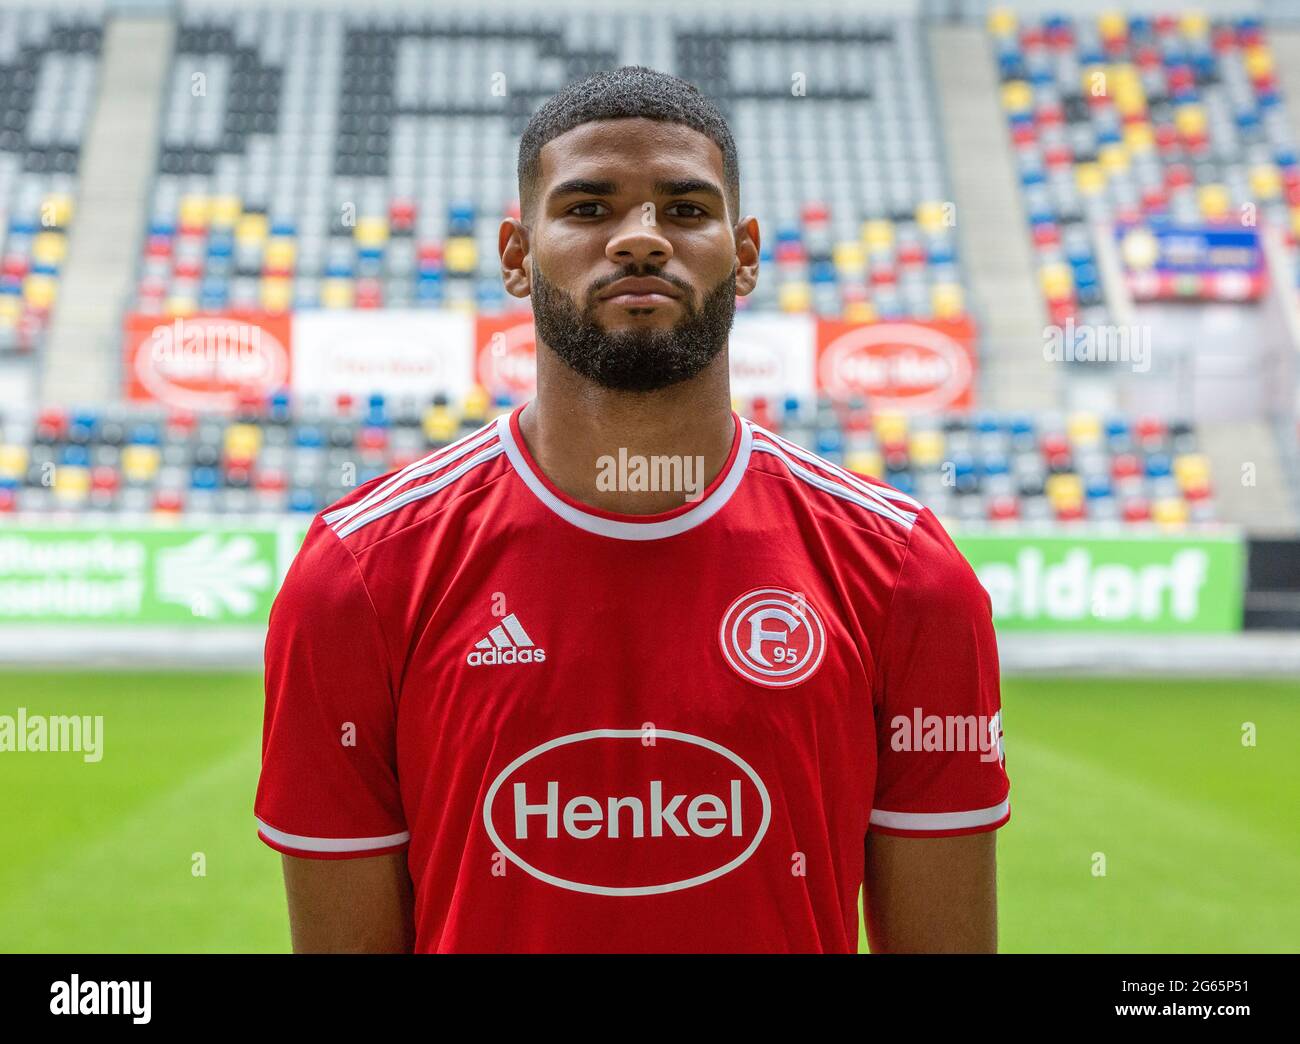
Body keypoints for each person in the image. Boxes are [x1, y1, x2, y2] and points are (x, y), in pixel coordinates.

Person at [255, 65, 1010, 953]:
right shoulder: (359, 576)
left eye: (686, 209)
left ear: (749, 253)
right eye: (588, 209)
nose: (641, 240)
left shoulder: (906, 575)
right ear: (515, 254)